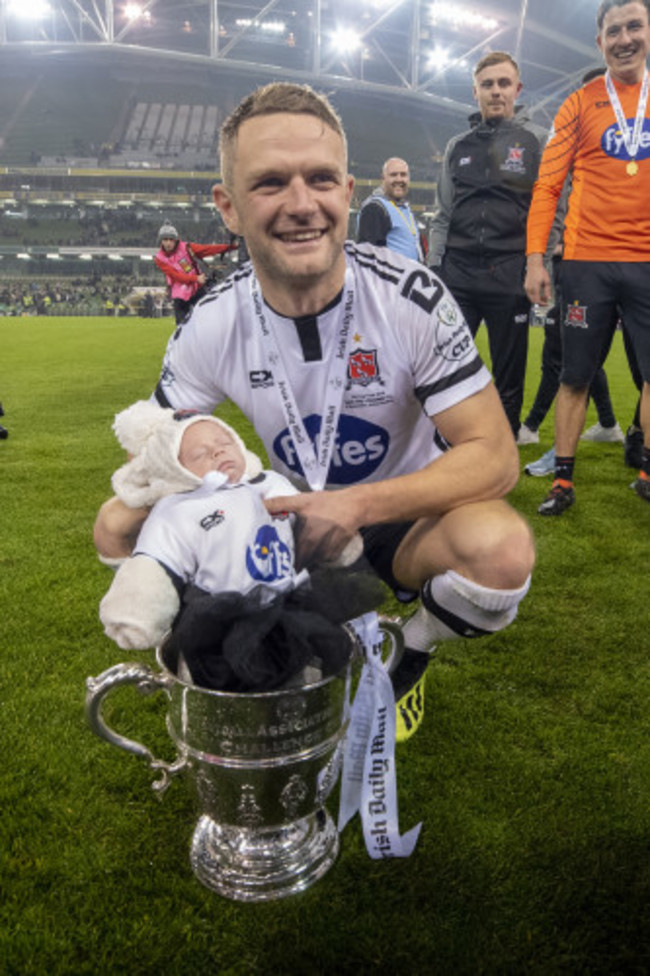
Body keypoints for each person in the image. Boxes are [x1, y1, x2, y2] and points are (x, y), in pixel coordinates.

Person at [95, 81, 535, 742]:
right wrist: (173, 520)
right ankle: (236, 640)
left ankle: (410, 647)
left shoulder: (410, 297)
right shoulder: (213, 322)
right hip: (286, 518)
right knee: (117, 527)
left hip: (404, 516)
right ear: (229, 207)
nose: (302, 205)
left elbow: (495, 458)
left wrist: (358, 507)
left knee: (501, 552)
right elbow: (153, 459)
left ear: (347, 193)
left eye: (320, 179)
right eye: (270, 183)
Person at [99, 401, 370, 691]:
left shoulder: (271, 483)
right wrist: (137, 613)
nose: (218, 451)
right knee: (225, 688)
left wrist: (336, 541)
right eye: (199, 454)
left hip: (294, 604)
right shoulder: (176, 510)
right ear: (173, 469)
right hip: (221, 620)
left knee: (307, 677)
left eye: (225, 442)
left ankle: (304, 700)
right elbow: (154, 562)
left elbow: (310, 520)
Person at [525, 0, 650, 513]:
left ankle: (646, 472)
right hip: (585, 260)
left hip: (647, 262)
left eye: (634, 26)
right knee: (574, 374)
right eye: (614, 30)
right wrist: (535, 258)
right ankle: (563, 481)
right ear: (599, 42)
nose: (624, 38)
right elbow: (548, 183)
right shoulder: (578, 104)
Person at [429, 51, 548, 442]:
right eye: (487, 85)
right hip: (458, 275)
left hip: (508, 272)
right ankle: (446, 450)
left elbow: (549, 210)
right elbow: (443, 214)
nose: (495, 92)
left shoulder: (537, 142)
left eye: (503, 83)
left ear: (517, 89)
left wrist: (539, 265)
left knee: (508, 375)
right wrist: (436, 270)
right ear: (475, 91)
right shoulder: (457, 145)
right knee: (446, 370)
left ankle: (501, 454)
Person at [154, 223, 238, 326]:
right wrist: (195, 278)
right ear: (160, 241)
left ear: (176, 240)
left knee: (208, 322)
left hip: (197, 289)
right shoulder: (159, 259)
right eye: (165, 239)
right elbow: (175, 276)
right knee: (181, 327)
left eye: (171, 239)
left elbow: (208, 249)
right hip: (180, 295)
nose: (168, 243)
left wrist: (230, 247)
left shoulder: (187, 248)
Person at [356, 157, 426, 262]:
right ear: (383, 178)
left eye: (403, 175)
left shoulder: (405, 208)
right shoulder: (374, 208)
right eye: (393, 175)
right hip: (390, 278)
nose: (399, 179)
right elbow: (368, 258)